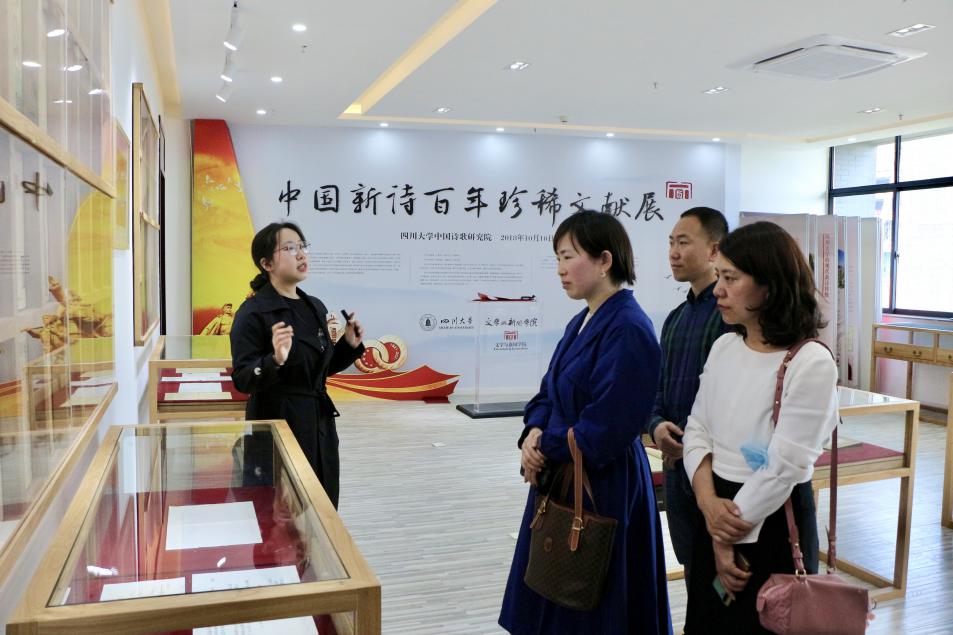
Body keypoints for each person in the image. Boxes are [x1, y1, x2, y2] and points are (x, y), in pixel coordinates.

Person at [499, 210, 672, 635]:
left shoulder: (629, 327)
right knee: (553, 579)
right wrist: (532, 432)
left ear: (605, 260)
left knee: (593, 596)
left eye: (568, 256)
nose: (560, 269)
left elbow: (609, 426)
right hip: (563, 470)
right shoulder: (582, 320)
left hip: (604, 482)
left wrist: (544, 445)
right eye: (557, 258)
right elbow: (548, 391)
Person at [681, 221, 838, 633]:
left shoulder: (810, 361)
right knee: (708, 621)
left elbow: (784, 466)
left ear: (769, 285)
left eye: (731, 278)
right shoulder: (725, 346)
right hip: (715, 506)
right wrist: (708, 504)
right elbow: (697, 429)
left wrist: (726, 535)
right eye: (719, 277)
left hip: (770, 520)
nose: (718, 290)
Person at [230, 222, 365, 509]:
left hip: (319, 423)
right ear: (267, 264)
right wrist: (274, 360)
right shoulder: (252, 313)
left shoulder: (314, 306)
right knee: (282, 511)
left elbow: (317, 371)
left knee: (322, 505)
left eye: (302, 246)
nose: (301, 254)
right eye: (290, 248)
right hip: (278, 424)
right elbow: (242, 379)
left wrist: (348, 345)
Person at [646, 207, 729, 586]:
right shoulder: (675, 318)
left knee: (720, 571)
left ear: (714, 250)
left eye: (683, 242)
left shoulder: (729, 317)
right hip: (675, 465)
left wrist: (689, 441)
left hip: (716, 468)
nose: (673, 253)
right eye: (671, 243)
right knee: (692, 564)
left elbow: (727, 400)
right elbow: (658, 387)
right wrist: (656, 425)